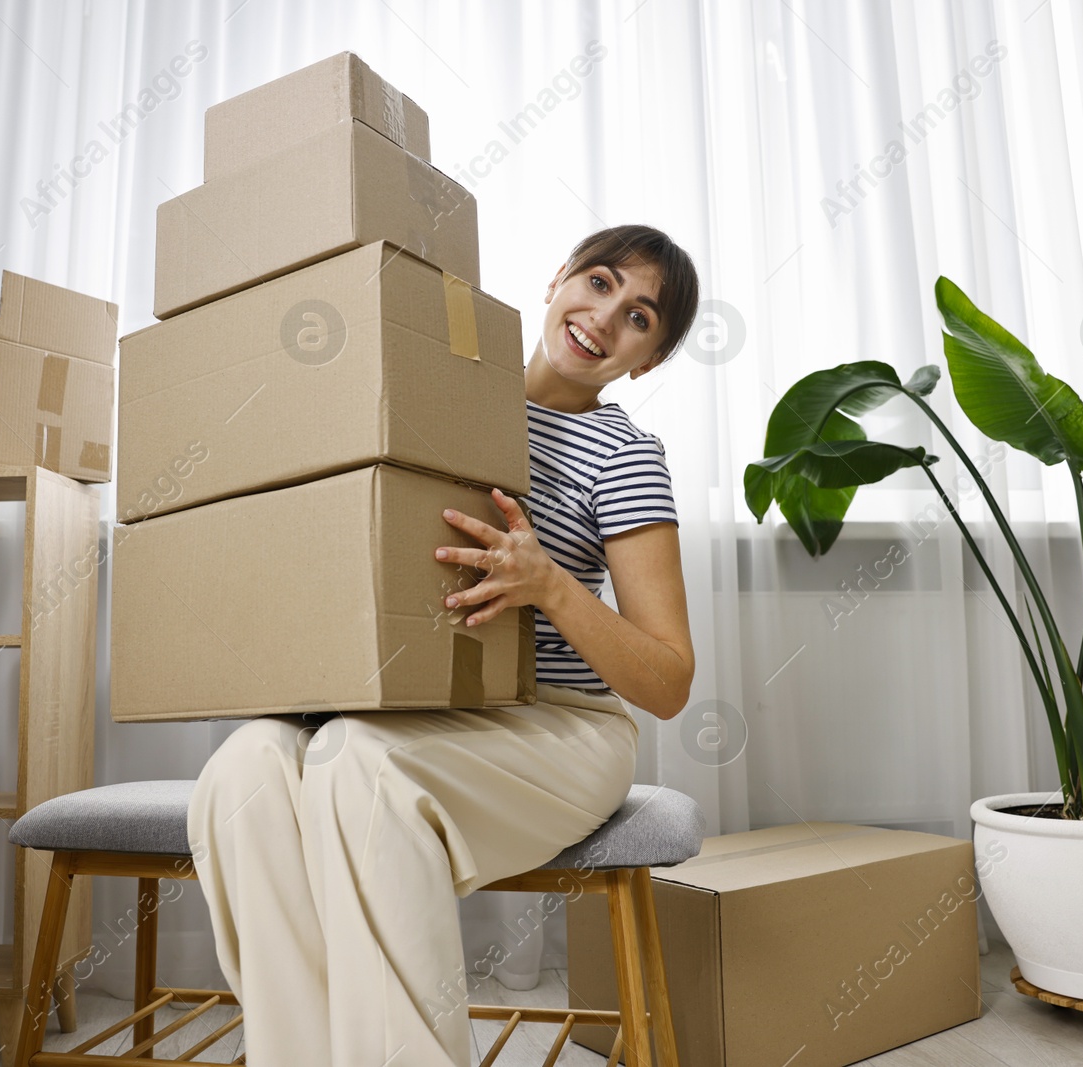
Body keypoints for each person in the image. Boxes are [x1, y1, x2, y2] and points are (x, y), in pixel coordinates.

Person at [187, 223, 700, 1066]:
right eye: (600, 283)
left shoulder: (625, 456)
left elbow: (670, 681)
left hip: (563, 727)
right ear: (556, 279)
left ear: (644, 361)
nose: (607, 317)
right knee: (241, 773)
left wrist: (551, 586)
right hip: (423, 712)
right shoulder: (431, 391)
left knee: (361, 766)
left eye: (640, 317)